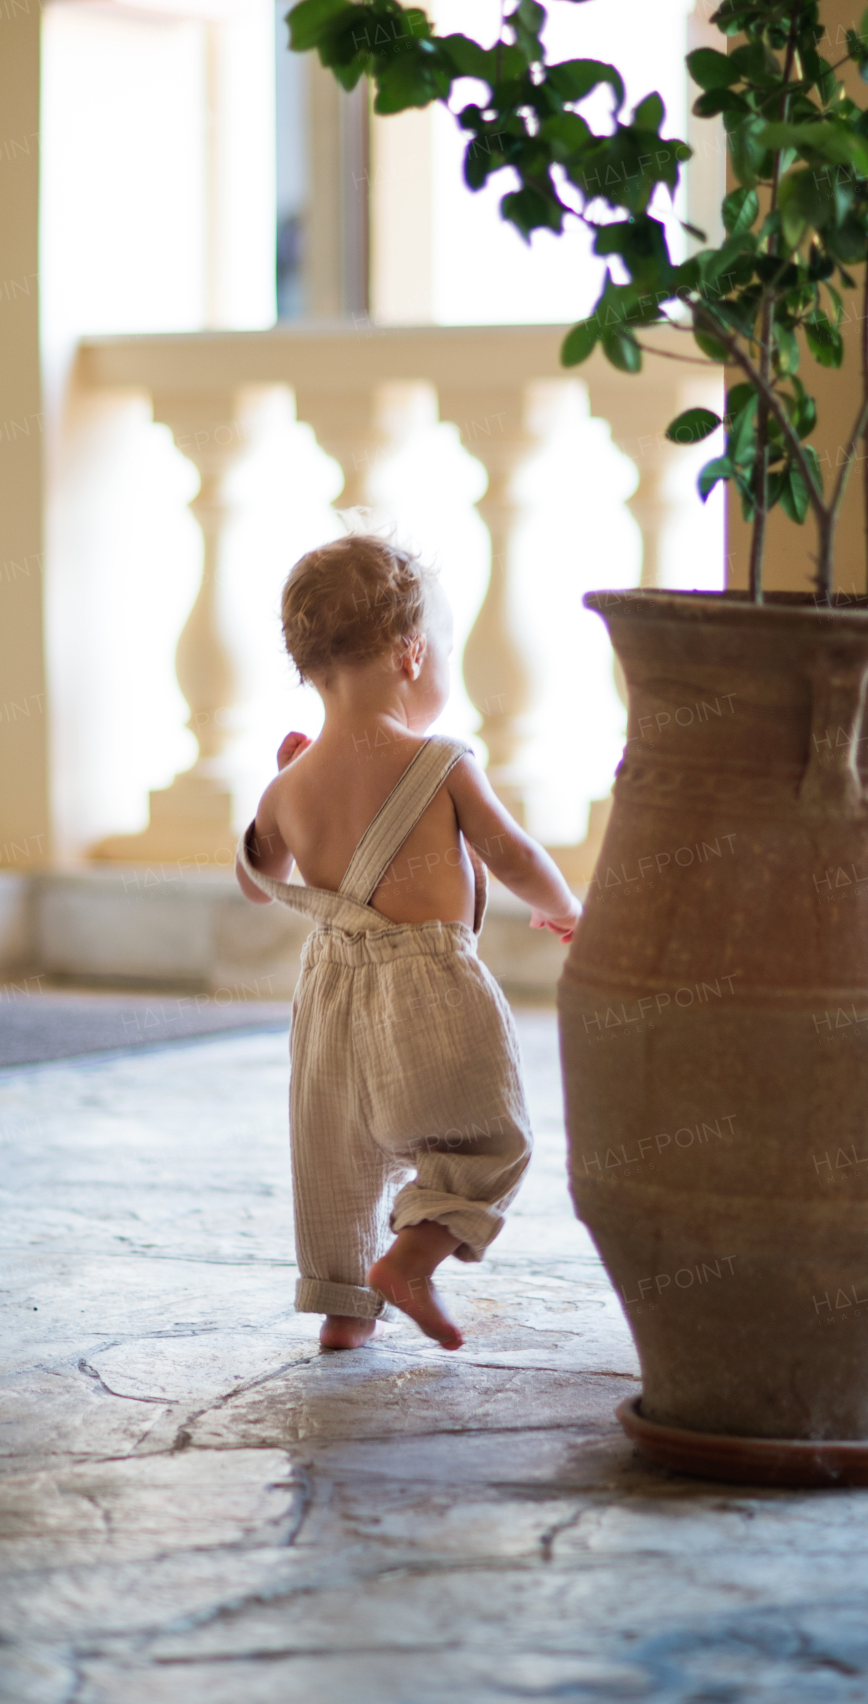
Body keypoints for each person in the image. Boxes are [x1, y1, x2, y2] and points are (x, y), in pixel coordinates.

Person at [236, 532, 581, 1353]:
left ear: (313, 671)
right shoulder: (441, 761)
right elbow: (513, 854)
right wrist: (567, 907)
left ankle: (345, 1311)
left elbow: (257, 880)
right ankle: (413, 1262)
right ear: (412, 652)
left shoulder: (290, 783)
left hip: (328, 995)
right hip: (428, 986)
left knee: (336, 1166)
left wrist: (277, 787)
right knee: (486, 1140)